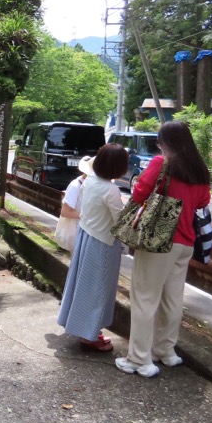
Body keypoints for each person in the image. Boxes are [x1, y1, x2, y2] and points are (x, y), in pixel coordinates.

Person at [116, 121, 211, 378]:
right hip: (186, 242)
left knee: (145, 297)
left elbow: (139, 192)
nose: (159, 147)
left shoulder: (162, 163)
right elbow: (203, 201)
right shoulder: (199, 169)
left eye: (159, 142)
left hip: (159, 238)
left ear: (165, 142)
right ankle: (166, 351)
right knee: (172, 298)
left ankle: (138, 359)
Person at [57, 143, 129, 352]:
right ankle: (90, 336)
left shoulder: (90, 181)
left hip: (86, 237)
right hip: (103, 244)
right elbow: (120, 219)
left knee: (83, 286)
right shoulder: (111, 189)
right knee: (99, 290)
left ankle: (81, 328)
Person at [54, 156, 93, 253]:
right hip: (75, 233)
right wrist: (87, 215)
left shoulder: (91, 186)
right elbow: (65, 212)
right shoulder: (76, 186)